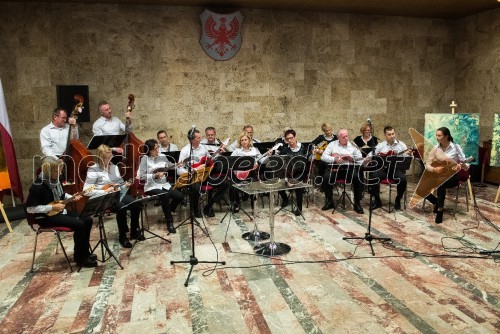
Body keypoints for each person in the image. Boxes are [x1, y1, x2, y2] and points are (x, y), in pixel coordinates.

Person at [26, 157, 96, 267]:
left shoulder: (56, 180)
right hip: (44, 218)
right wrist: (51, 208)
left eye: (60, 170)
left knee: (87, 219)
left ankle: (84, 253)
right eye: (56, 171)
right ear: (47, 171)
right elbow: (30, 209)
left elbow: (61, 196)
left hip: (58, 213)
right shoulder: (37, 187)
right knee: (79, 224)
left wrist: (72, 197)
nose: (59, 173)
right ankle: (80, 259)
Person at [83, 144, 142, 247]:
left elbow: (119, 184)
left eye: (110, 157)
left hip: (116, 194)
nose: (109, 160)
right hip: (103, 198)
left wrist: (125, 185)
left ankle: (134, 231)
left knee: (136, 204)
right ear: (100, 157)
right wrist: (105, 191)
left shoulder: (114, 167)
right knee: (121, 206)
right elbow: (86, 191)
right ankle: (122, 236)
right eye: (106, 158)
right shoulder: (93, 169)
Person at [178, 129, 229, 217]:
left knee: (225, 183)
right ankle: (195, 209)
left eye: (200, 137)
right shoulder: (185, 151)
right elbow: (179, 170)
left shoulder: (202, 147)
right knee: (196, 188)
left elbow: (210, 158)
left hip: (205, 175)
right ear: (192, 140)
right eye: (198, 138)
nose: (201, 139)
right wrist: (193, 170)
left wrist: (219, 153)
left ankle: (209, 206)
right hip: (194, 177)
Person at [138, 139, 184, 233]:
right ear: (149, 150)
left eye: (157, 148)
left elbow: (169, 165)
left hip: (164, 184)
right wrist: (155, 175)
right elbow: (141, 176)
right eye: (155, 149)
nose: (157, 150)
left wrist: (177, 165)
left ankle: (169, 210)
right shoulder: (144, 159)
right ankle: (169, 221)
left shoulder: (162, 156)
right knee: (164, 195)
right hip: (152, 186)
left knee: (180, 196)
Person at [424, 127, 469, 224]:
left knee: (441, 183)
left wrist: (463, 165)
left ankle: (440, 211)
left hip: (453, 176)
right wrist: (434, 169)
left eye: (439, 135)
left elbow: (466, 166)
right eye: (436, 135)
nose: (437, 137)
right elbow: (427, 164)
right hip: (438, 174)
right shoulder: (435, 148)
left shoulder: (456, 148)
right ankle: (436, 202)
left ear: (446, 136)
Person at [321, 129, 365, 214]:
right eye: (343, 137)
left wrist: (353, 158)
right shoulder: (332, 144)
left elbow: (359, 158)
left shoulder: (352, 145)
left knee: (357, 178)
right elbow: (323, 157)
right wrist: (334, 159)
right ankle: (329, 201)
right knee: (326, 177)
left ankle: (357, 203)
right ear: (338, 138)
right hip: (335, 169)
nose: (346, 138)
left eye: (346, 136)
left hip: (348, 169)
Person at [369, 126, 412, 210]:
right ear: (385, 135)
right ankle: (377, 200)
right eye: (389, 134)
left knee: (403, 179)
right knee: (372, 177)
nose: (392, 136)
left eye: (393, 133)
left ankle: (398, 199)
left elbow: (407, 159)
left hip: (396, 169)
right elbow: (370, 154)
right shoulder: (381, 145)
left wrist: (409, 154)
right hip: (384, 169)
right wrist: (372, 157)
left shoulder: (401, 145)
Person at [278, 129, 311, 216]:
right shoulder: (285, 149)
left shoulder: (304, 147)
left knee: (298, 185)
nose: (290, 140)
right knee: (277, 182)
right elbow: (280, 160)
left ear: (295, 137)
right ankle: (285, 199)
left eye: (291, 138)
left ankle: (299, 208)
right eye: (287, 139)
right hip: (289, 172)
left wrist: (312, 155)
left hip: (301, 171)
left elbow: (309, 160)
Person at [229, 132, 261, 213]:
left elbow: (261, 160)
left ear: (249, 140)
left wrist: (268, 156)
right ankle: (236, 204)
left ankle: (254, 204)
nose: (244, 141)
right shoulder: (237, 151)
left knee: (255, 182)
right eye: (242, 140)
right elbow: (231, 163)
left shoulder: (254, 150)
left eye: (245, 139)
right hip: (239, 174)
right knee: (232, 186)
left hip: (251, 174)